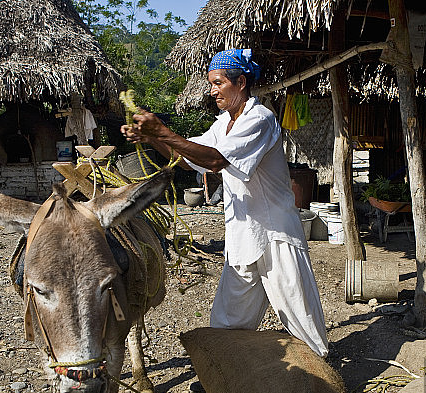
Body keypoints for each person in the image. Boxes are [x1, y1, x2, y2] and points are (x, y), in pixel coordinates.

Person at [120, 48, 329, 358]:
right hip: (244, 235)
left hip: (275, 236)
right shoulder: (222, 125)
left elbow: (216, 161)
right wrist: (152, 139)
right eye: (211, 84)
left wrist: (162, 129)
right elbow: (191, 161)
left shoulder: (260, 119)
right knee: (227, 319)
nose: (213, 91)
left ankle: (323, 375)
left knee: (299, 314)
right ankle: (225, 372)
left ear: (240, 82)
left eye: (218, 83)